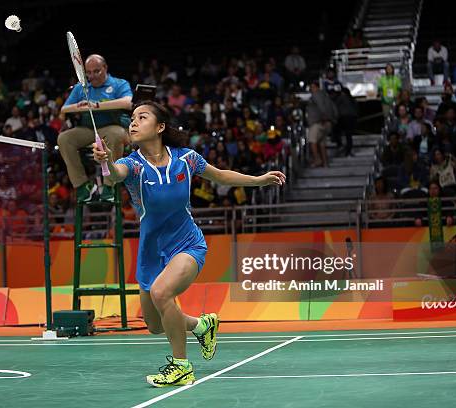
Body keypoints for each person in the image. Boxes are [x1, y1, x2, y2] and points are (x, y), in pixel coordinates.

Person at [92, 100, 286, 387]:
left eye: (141, 117)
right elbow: (112, 178)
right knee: (155, 325)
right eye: (131, 118)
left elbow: (220, 175)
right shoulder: (131, 164)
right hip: (151, 252)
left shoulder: (186, 158)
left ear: (159, 127)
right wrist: (106, 161)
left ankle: (181, 365)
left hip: (187, 244)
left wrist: (259, 180)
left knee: (161, 292)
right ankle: (201, 325)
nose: (133, 123)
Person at [58, 54, 133, 203]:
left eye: (97, 71)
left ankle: (109, 185)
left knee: (115, 134)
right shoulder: (82, 88)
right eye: (89, 72)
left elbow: (128, 103)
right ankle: (82, 185)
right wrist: (79, 106)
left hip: (114, 127)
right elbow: (64, 109)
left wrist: (96, 105)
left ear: (105, 68)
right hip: (88, 130)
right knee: (64, 138)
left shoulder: (119, 84)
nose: (92, 76)